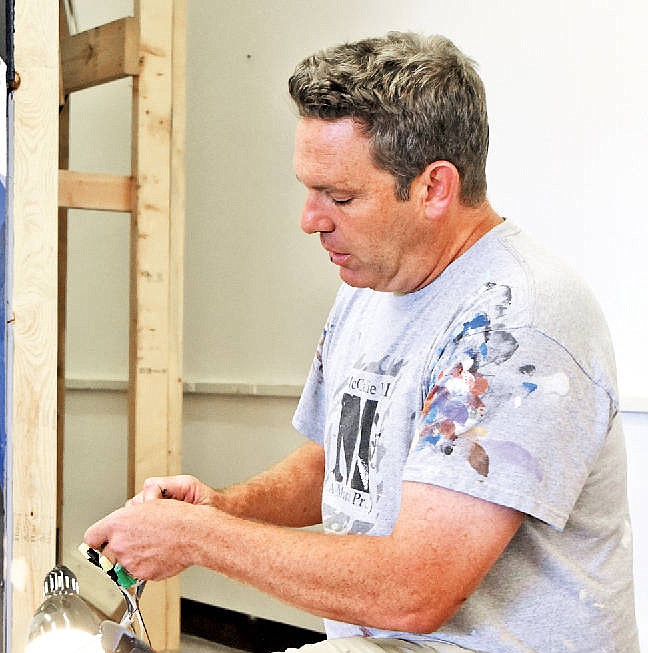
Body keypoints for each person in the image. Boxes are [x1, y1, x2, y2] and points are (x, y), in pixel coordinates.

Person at [85, 32, 639, 652]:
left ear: (433, 188)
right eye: (309, 188)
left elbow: (416, 588)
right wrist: (222, 509)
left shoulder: (518, 322)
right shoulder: (371, 280)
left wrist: (196, 538)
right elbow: (339, 464)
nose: (310, 218)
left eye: (340, 196)